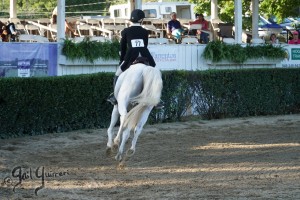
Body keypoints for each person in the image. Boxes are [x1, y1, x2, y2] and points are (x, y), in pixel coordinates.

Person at [106, 9, 163, 109]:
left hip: (131, 55)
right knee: (155, 72)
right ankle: (158, 99)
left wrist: (122, 60)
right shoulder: (145, 31)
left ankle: (114, 96)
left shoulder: (125, 31)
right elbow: (145, 45)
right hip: (145, 55)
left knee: (118, 73)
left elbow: (123, 48)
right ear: (141, 20)